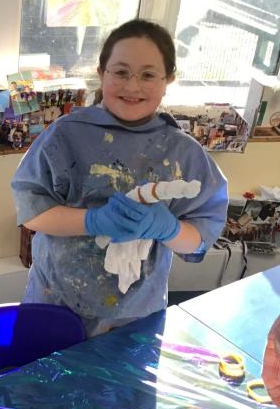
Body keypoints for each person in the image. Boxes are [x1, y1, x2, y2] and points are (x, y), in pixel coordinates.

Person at [11, 19, 228, 337]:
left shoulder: (184, 153)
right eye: (121, 72)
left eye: (148, 75)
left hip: (135, 318)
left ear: (168, 79)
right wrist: (93, 221)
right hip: (56, 305)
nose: (133, 86)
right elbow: (31, 211)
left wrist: (168, 228)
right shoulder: (65, 136)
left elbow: (199, 238)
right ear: (102, 73)